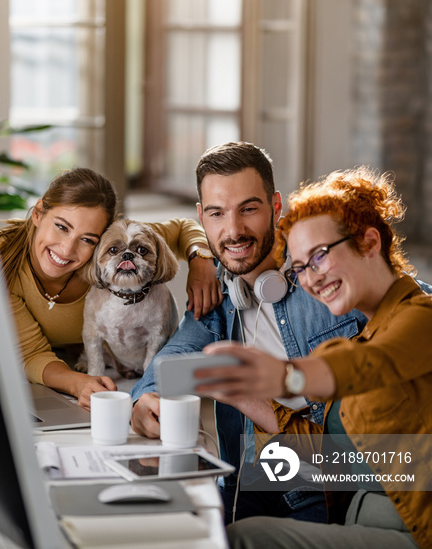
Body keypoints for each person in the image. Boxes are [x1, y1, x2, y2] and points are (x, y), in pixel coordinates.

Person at [131, 143, 374, 524]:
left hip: (322, 485)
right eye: (216, 213)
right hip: (248, 481)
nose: (233, 231)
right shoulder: (223, 296)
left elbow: (413, 302)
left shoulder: (328, 274)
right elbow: (175, 357)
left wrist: (247, 396)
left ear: (276, 207)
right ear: (201, 217)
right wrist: (146, 399)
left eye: (249, 209)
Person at [197, 166, 431, 549]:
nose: (310, 279)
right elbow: (326, 452)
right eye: (301, 267)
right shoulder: (366, 333)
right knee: (219, 519)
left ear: (370, 243)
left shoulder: (421, 319)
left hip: (415, 531)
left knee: (243, 539)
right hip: (359, 518)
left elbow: (369, 364)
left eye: (319, 257)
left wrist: (287, 376)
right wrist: (238, 394)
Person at [0, 167, 221, 410]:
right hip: (48, 377)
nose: (67, 249)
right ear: (38, 213)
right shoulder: (1, 261)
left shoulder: (115, 244)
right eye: (61, 226)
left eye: (88, 239)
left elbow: (183, 228)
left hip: (109, 372)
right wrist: (77, 383)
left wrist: (201, 261)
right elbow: (30, 353)